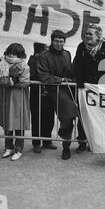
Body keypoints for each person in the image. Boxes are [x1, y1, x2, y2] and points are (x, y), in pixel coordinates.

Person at [37, 32, 79, 161]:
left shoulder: (67, 54)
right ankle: (61, 146)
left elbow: (70, 71)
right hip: (51, 89)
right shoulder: (44, 56)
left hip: (67, 88)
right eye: (56, 41)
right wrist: (60, 80)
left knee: (71, 115)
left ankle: (66, 144)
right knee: (63, 115)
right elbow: (43, 75)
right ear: (51, 41)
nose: (59, 44)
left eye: (61, 41)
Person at [73, 23, 105, 154]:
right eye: (86, 33)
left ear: (98, 36)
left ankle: (97, 142)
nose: (87, 36)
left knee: (99, 116)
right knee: (83, 116)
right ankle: (82, 142)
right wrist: (79, 83)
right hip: (85, 89)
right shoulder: (81, 47)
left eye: (90, 34)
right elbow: (77, 66)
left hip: (100, 89)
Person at [0, 44, 30, 161]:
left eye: (14, 53)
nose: (11, 55)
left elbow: (25, 82)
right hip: (5, 95)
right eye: (10, 52)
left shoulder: (24, 65)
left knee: (18, 122)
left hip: (17, 96)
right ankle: (8, 147)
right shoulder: (2, 61)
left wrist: (11, 82)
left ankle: (19, 149)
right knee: (7, 121)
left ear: (20, 55)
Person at [28, 42, 56, 153]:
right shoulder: (32, 61)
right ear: (40, 50)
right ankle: (36, 143)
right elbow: (33, 76)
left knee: (49, 118)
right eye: (46, 49)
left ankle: (47, 140)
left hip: (49, 94)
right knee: (36, 119)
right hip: (36, 94)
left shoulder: (48, 60)